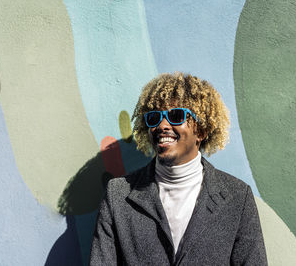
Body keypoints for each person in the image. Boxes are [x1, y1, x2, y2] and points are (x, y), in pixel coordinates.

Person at [90, 72, 267, 265]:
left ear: (201, 130)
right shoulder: (118, 195)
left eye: (176, 116)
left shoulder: (237, 197)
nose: (162, 125)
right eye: (154, 117)